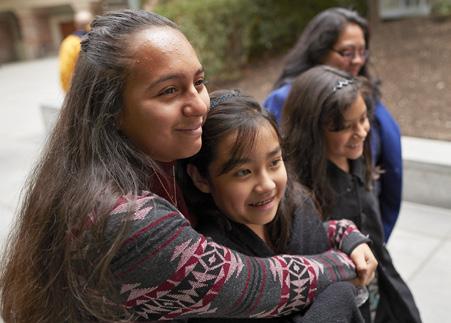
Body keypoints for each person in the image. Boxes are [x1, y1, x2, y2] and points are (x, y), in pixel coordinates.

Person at [1, 10, 367, 322]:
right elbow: (255, 285)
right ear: (111, 110)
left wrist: (340, 232)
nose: (199, 104)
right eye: (169, 91)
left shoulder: (166, 161)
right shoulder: (124, 219)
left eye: (199, 82)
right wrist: (346, 266)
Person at [178, 89, 378, 323]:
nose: (266, 185)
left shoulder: (297, 205)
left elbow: (318, 238)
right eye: (244, 172)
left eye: (274, 162)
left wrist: (344, 235)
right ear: (201, 177)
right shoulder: (211, 265)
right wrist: (338, 296)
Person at [281, 65, 421, 323]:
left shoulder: (358, 156)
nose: (361, 131)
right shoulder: (298, 190)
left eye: (364, 118)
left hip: (381, 286)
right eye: (345, 126)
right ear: (313, 128)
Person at [264, 7, 402, 242]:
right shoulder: (286, 100)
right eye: (347, 52)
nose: (357, 60)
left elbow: (392, 167)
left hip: (368, 224)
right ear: (319, 51)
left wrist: (377, 239)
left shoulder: (366, 95)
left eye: (362, 51)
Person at [58, 10, 93, 92]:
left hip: (80, 90)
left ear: (76, 24)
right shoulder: (100, 40)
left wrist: (69, 91)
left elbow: (65, 71)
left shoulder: (69, 43)